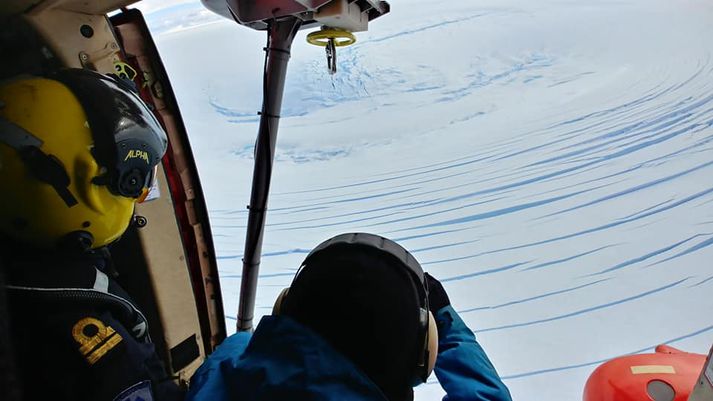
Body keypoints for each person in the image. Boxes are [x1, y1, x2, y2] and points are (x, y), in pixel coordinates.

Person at [0, 68, 183, 401]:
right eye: (135, 184)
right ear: (87, 186)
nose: (140, 195)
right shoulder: (97, 346)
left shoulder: (20, 269)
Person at [187, 232, 512, 401]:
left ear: (284, 307)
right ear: (423, 356)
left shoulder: (216, 380)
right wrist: (444, 319)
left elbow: (238, 346)